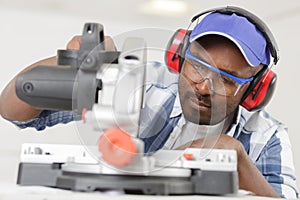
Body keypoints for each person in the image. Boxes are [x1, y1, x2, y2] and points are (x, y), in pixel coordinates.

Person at [0, 7, 298, 198]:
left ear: (256, 91)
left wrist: (238, 160)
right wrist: (75, 67)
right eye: (198, 65)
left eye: (229, 80)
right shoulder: (143, 87)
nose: (205, 87)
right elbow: (14, 111)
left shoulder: (267, 137)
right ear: (178, 57)